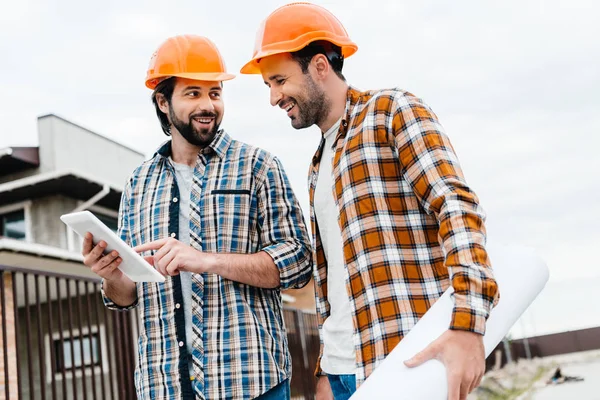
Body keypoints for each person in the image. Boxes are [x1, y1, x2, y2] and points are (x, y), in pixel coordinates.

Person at [241, 4, 499, 400]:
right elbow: (339, 281)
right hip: (342, 374)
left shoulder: (392, 111)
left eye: (279, 80)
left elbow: (456, 206)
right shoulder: (316, 164)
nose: (274, 97)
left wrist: (468, 324)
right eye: (268, 86)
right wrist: (326, 369)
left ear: (321, 66)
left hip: (403, 363)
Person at [82, 34, 312, 400]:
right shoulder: (138, 184)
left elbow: (298, 261)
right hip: (165, 387)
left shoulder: (258, 166)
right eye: (193, 93)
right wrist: (113, 276)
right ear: (163, 101)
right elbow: (123, 297)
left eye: (215, 93)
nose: (208, 105)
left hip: (250, 383)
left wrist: (207, 261)